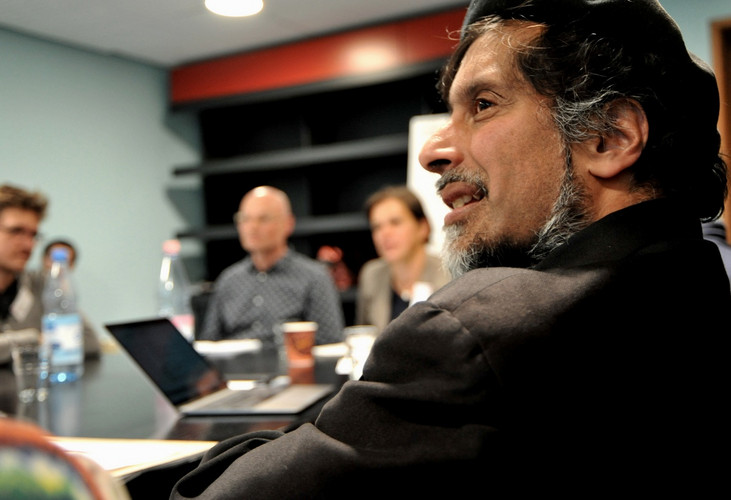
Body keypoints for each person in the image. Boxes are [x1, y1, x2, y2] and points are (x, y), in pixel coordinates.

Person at [171, 1, 730, 497]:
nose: (433, 152)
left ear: (609, 138)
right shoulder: (694, 277)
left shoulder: (477, 332)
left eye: (482, 104)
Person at [199, 186, 344, 347]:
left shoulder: (314, 278)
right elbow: (209, 343)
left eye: (263, 219)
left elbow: (330, 343)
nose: (252, 227)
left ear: (289, 223)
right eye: (245, 219)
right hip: (234, 368)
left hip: (288, 366)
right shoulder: (228, 280)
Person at [0, 185, 101, 365]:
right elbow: (64, 342)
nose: (28, 245)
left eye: (33, 235)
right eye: (16, 231)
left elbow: (90, 342)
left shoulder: (40, 283)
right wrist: (34, 338)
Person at [355, 185, 450, 332]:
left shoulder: (449, 274)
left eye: (395, 222)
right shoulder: (371, 274)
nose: (385, 234)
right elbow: (363, 337)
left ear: (422, 227)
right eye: (377, 227)